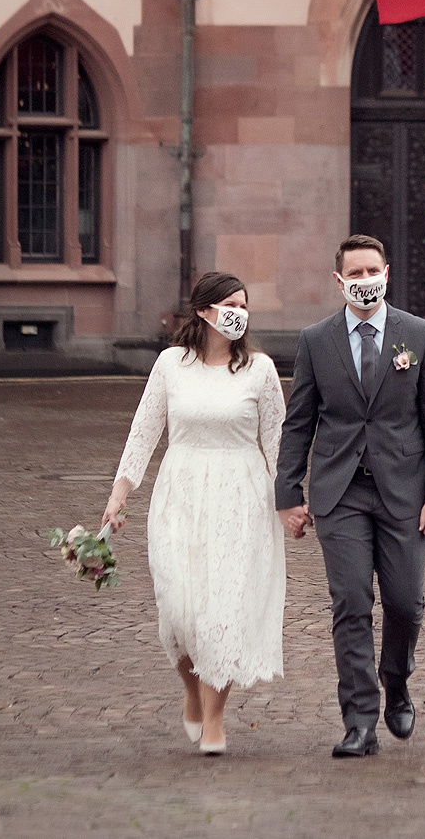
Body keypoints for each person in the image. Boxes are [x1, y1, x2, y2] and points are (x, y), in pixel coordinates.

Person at [276, 233, 425, 758]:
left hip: (405, 491)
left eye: (371, 271)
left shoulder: (418, 335)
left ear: (387, 271)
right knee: (351, 602)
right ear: (338, 281)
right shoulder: (316, 340)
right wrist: (288, 492)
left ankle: (396, 679)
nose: (363, 281)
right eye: (353, 274)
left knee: (405, 603)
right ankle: (359, 721)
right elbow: (299, 422)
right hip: (340, 492)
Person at [101, 272, 286, 756]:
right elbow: (143, 433)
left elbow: (278, 446)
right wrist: (118, 496)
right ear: (203, 310)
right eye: (229, 304)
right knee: (179, 613)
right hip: (180, 494)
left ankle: (215, 719)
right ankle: (191, 691)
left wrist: (290, 503)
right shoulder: (170, 365)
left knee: (222, 612)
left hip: (241, 499)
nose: (237, 313)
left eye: (244, 305)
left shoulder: (261, 370)